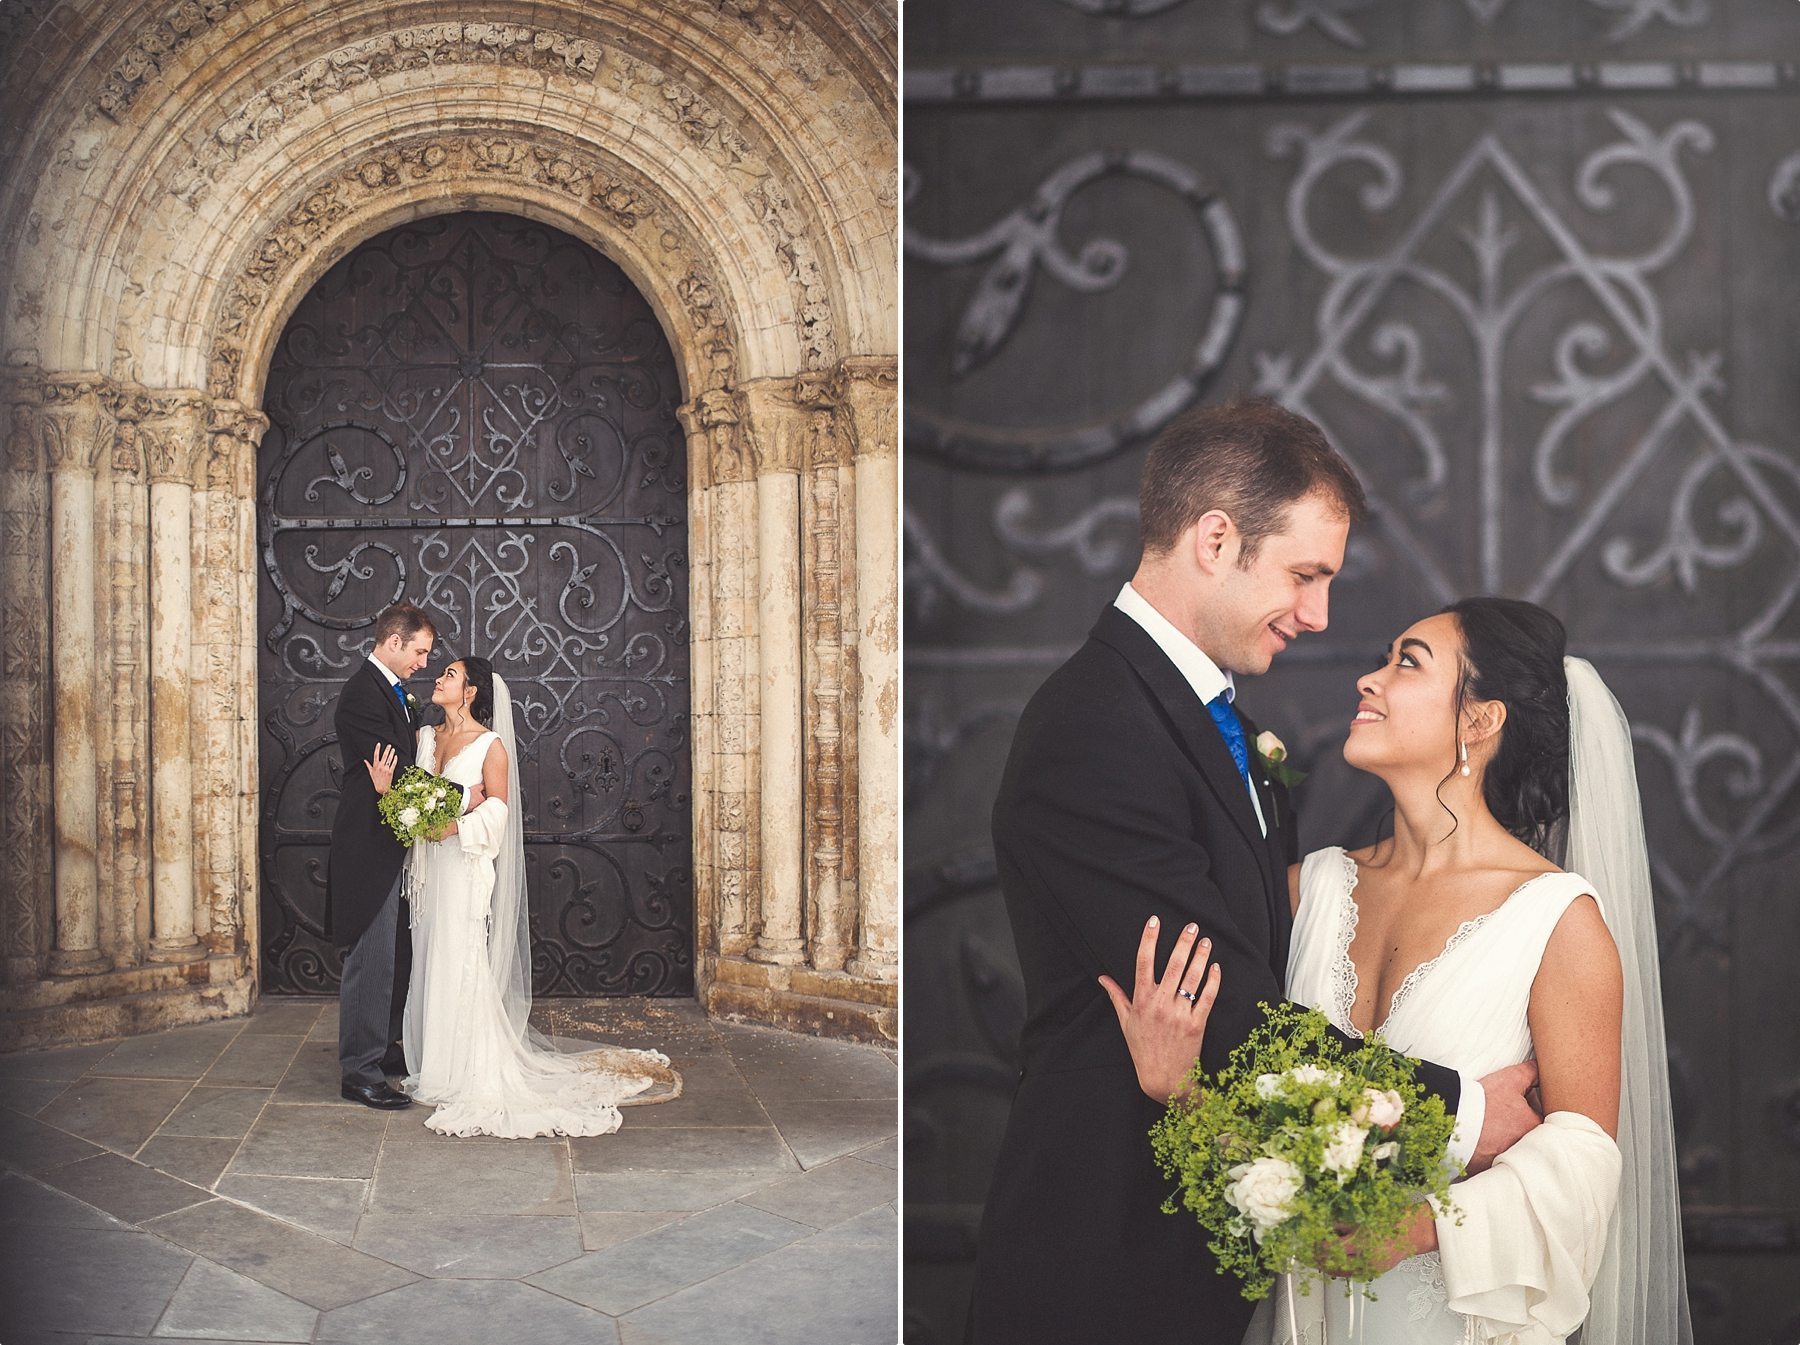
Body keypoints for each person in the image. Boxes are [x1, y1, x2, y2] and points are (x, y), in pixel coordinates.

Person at [965, 400, 1541, 1344]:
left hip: (1223, 1262)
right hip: (1103, 1270)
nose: (1318, 616)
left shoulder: (1208, 716)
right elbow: (1227, 1015)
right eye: (1304, 575)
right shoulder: (1096, 728)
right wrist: (1466, 1112)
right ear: (1216, 537)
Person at [1109, 598, 1692, 1345]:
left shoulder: (1556, 920)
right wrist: (1181, 1090)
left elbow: (1582, 1167)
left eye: (1406, 663)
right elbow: (1261, 1110)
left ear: (1479, 720)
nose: (1368, 679)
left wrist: (1411, 1229)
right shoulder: (1304, 890)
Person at [364, 654, 673, 1137]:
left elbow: (497, 815)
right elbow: (413, 795)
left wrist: (452, 826)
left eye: (449, 674)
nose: (438, 678)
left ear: (469, 693)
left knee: (458, 958)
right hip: (427, 871)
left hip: (463, 865)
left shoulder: (491, 747)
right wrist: (387, 794)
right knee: (427, 958)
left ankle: (464, 1069)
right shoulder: (425, 737)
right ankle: (433, 1060)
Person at [328, 602, 438, 1110]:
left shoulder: (395, 692)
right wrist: (459, 811)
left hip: (394, 838)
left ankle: (384, 1047)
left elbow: (399, 776)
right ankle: (360, 1071)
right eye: (419, 651)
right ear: (393, 642)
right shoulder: (361, 696)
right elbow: (389, 782)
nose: (423, 663)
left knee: (397, 953)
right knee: (370, 958)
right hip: (369, 843)